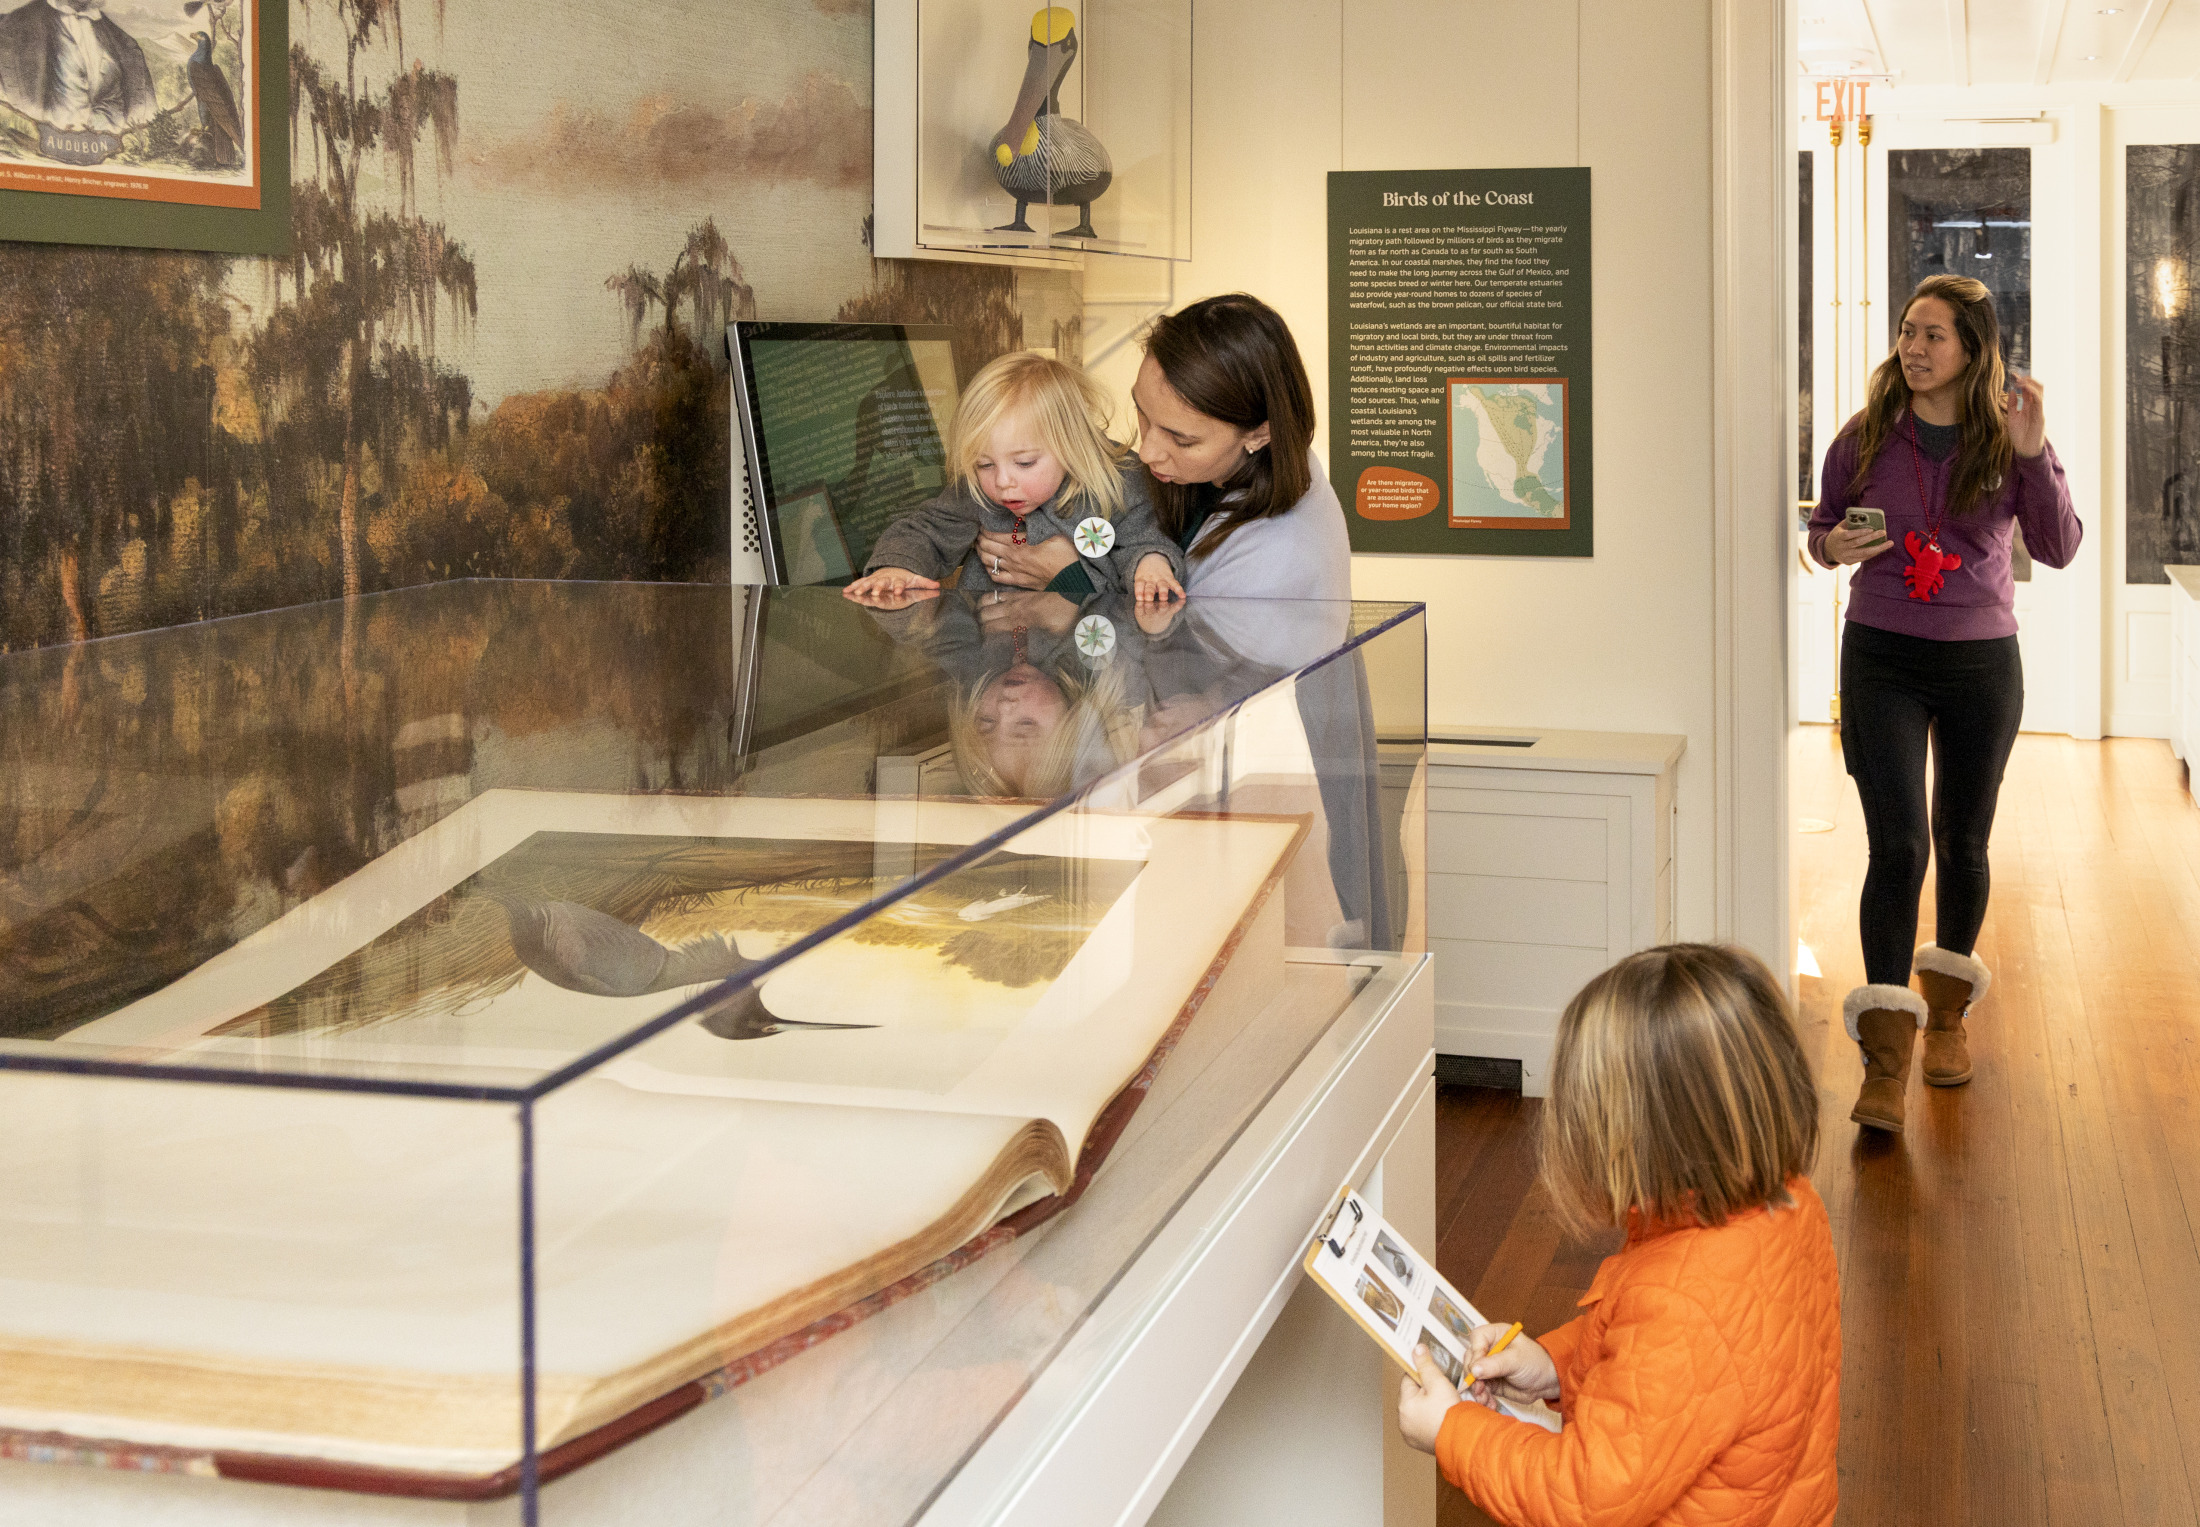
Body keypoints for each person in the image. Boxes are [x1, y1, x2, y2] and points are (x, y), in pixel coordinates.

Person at [1396, 944, 1839, 1526]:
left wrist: (1453, 1431)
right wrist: (1552, 1364)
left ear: (1648, 1139)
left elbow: (1582, 1497)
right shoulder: (1789, 1204)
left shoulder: (1684, 1306)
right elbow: (1673, 1357)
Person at [1805, 274, 2081, 1134]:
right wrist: (1832, 544)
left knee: (1963, 840)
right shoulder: (1867, 434)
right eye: (1907, 331)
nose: (1913, 348)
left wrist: (2035, 452)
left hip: (1979, 663)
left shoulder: (2008, 438)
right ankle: (1885, 1062)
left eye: (1933, 335)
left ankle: (1949, 1015)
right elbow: (1822, 531)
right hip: (1882, 653)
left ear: (1973, 349)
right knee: (1898, 845)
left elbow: (2061, 547)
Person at [972, 293, 1351, 615]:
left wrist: (1067, 577)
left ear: (1259, 432)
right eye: (1142, 413)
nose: (1148, 452)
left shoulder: (1270, 561)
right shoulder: (1228, 474)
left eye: (1181, 440)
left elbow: (1168, 669)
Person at [845, 350, 1184, 603]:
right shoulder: (978, 491)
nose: (1003, 482)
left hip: (1082, 662)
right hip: (996, 657)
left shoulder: (1120, 480)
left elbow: (1146, 539)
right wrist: (897, 568)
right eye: (984, 464)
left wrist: (1150, 564)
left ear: (1072, 442)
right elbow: (926, 529)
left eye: (1024, 463)